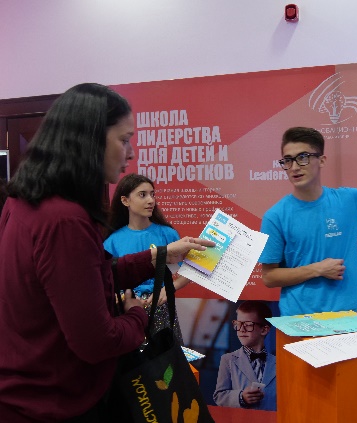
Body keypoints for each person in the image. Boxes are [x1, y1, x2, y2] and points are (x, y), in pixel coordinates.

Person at [0, 83, 214, 423]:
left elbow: (87, 276)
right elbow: (97, 341)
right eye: (124, 139)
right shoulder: (65, 221)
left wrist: (160, 256)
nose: (130, 153)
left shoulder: (24, 202)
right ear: (89, 140)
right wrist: (137, 316)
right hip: (55, 403)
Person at [259, 126, 357, 316]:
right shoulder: (275, 216)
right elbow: (269, 276)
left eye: (303, 157)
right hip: (299, 320)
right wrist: (317, 269)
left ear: (322, 160)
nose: (294, 167)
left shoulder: (348, 200)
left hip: (348, 317)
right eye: (288, 160)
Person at [104, 173, 190, 343]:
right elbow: (104, 279)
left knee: (166, 358)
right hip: (127, 311)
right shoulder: (112, 241)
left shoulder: (167, 234)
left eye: (152, 194)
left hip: (161, 309)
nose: (151, 200)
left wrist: (169, 289)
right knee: (131, 357)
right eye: (142, 195)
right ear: (125, 201)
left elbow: (187, 270)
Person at [213, 301, 276, 411]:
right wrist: (241, 397)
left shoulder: (279, 363)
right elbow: (219, 396)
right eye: (238, 324)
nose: (241, 329)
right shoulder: (228, 360)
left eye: (247, 325)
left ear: (264, 330)